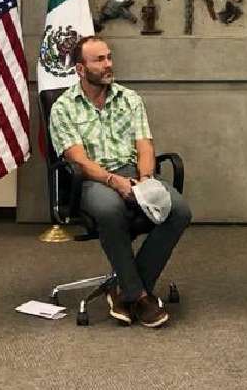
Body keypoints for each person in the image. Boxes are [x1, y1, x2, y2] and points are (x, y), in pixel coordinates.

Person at [48, 36, 193, 328]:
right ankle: (139, 295)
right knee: (110, 210)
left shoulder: (130, 98)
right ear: (80, 68)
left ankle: (123, 290)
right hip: (91, 179)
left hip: (134, 172)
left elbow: (145, 147)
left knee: (178, 210)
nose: (108, 64)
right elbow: (78, 160)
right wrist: (114, 182)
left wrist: (146, 181)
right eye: (99, 60)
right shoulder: (63, 107)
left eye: (109, 57)